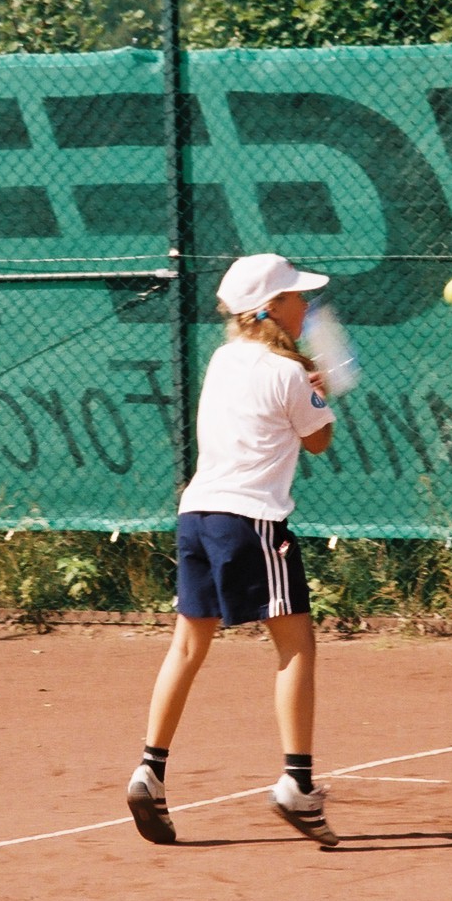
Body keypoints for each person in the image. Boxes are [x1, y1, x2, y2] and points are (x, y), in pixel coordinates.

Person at [126, 252, 339, 847]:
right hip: (253, 522)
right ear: (271, 307)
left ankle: (149, 770)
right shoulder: (288, 372)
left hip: (197, 516)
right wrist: (319, 389)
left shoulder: (222, 360)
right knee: (296, 645)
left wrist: (309, 381)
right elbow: (318, 441)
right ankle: (298, 784)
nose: (305, 303)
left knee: (187, 645)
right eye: (296, 295)